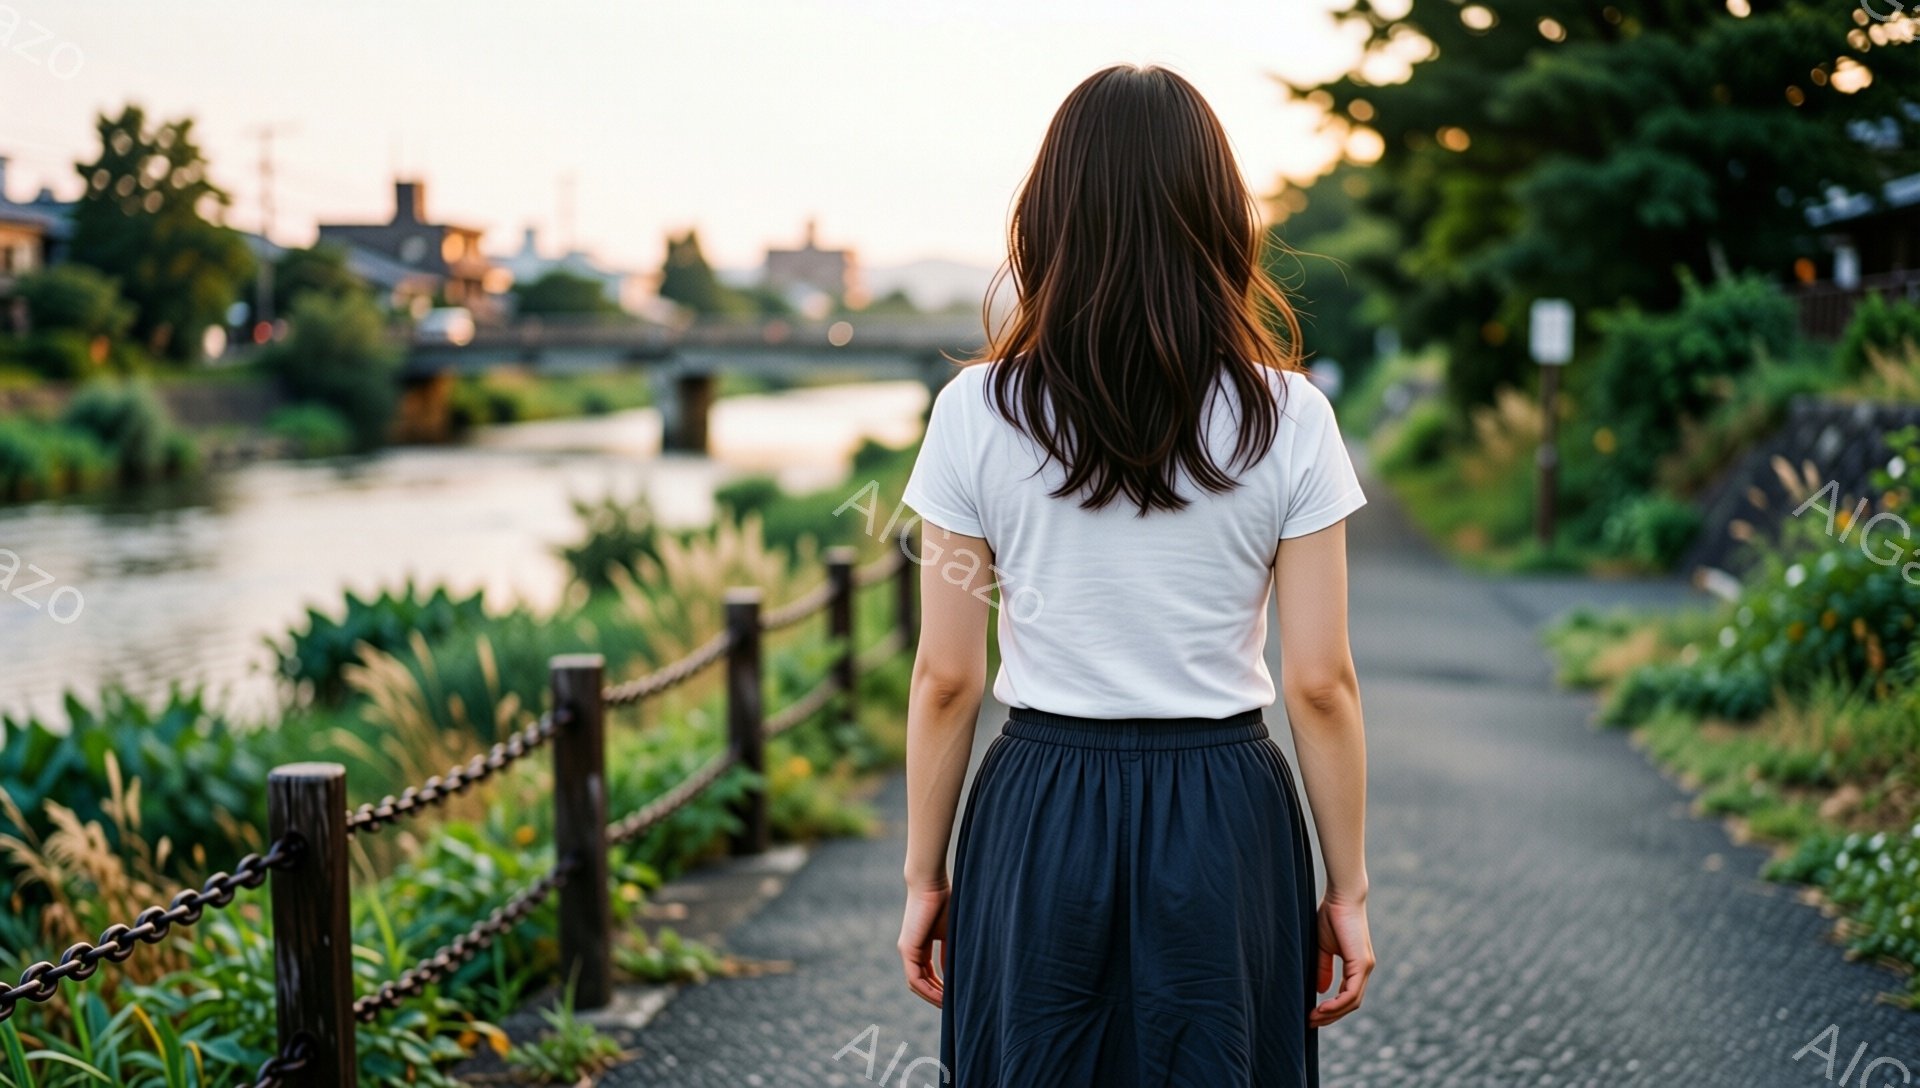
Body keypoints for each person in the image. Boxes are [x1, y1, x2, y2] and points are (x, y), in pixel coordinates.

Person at [894, 63, 1373, 1087]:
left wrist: (923, 871)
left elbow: (945, 676)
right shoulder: (1291, 419)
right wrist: (1349, 887)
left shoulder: (973, 413)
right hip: (1226, 813)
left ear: (1049, 214)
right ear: (1219, 218)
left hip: (1037, 808)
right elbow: (1321, 681)